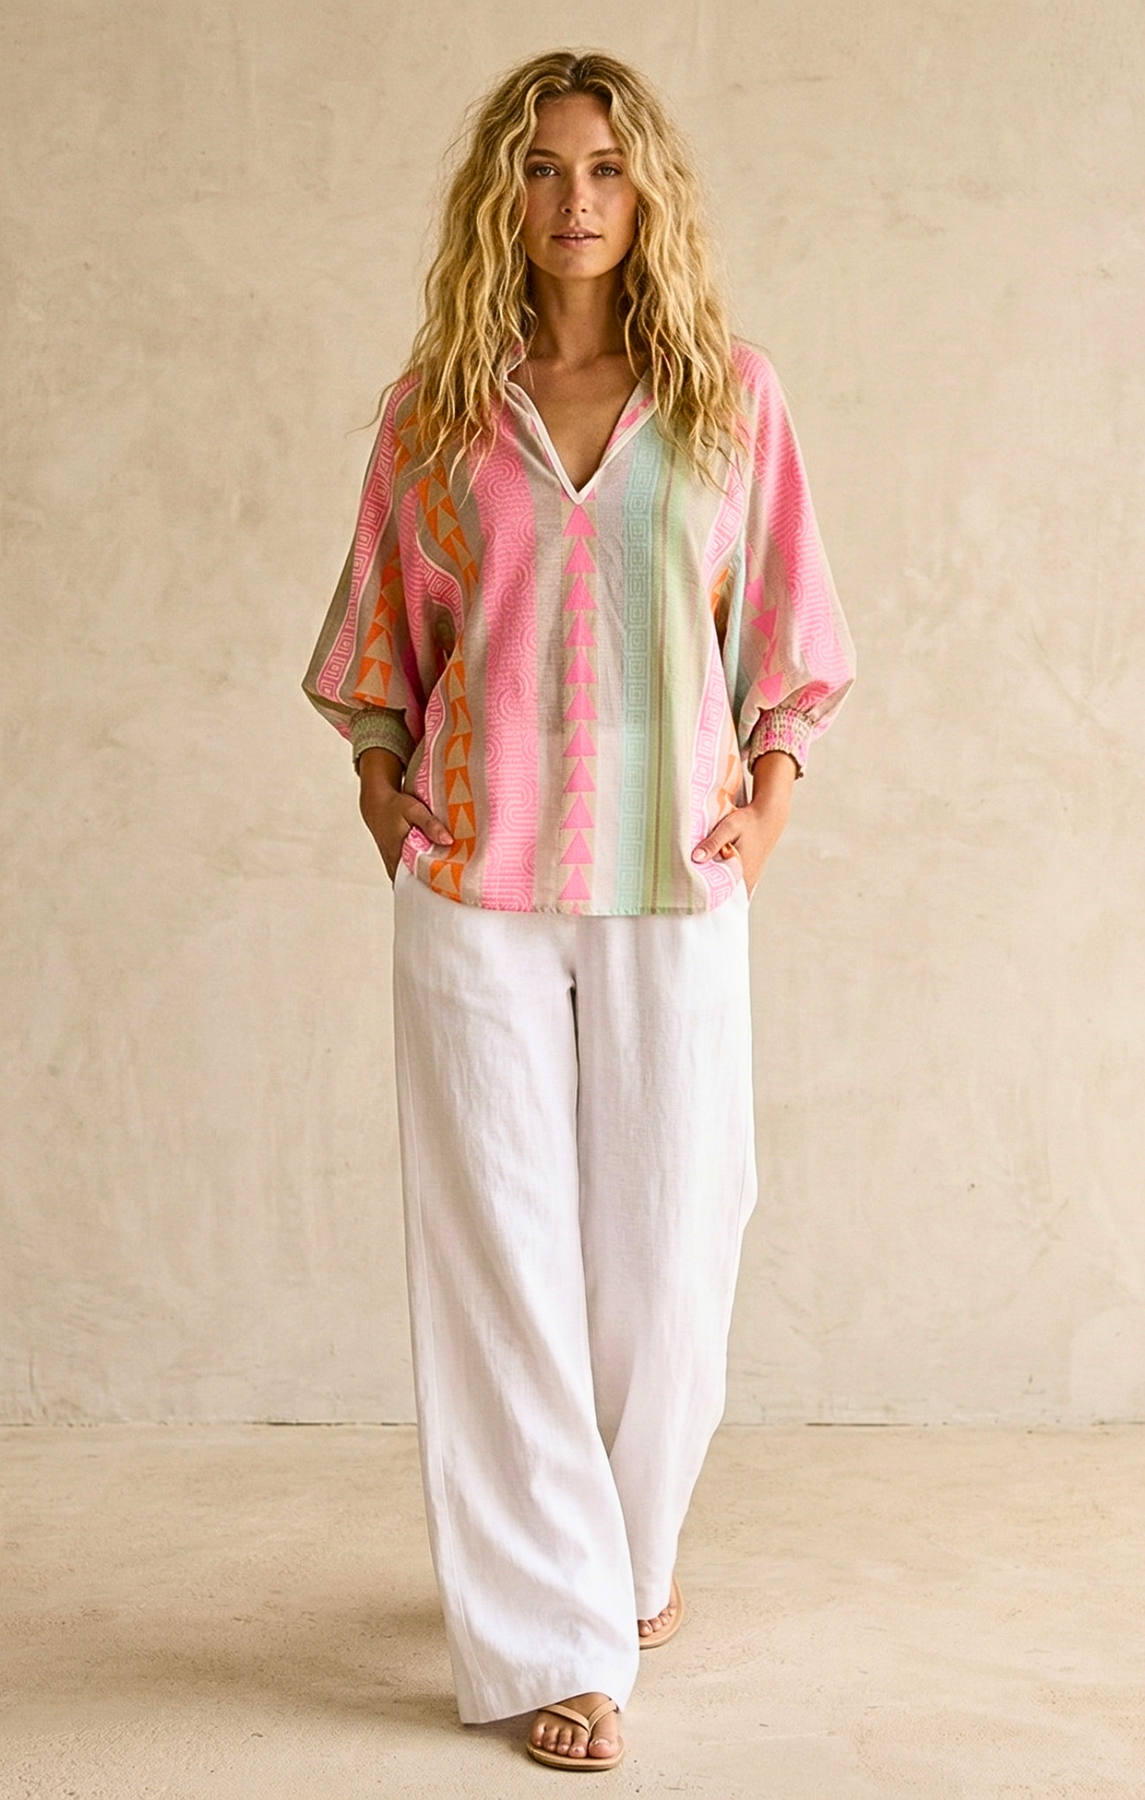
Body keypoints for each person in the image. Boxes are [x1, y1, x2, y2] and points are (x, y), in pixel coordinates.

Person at [302, 47, 855, 1773]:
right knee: (503, 1262)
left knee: (675, 1246)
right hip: (473, 881)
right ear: (504, 194)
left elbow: (790, 635)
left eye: (605, 168)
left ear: (646, 190)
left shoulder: (728, 398)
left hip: (672, 880)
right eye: (543, 170)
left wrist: (769, 804)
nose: (575, 200)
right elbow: (377, 645)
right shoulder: (435, 411)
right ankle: (562, 1638)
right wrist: (382, 785)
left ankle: (627, 1549)